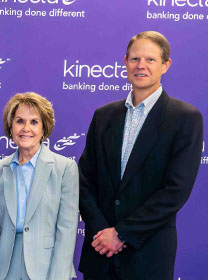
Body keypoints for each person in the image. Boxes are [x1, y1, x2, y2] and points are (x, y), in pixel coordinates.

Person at [77, 31, 203, 280]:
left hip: (148, 257)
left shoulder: (185, 118)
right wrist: (103, 231)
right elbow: (83, 180)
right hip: (100, 254)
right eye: (134, 59)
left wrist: (121, 233)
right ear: (125, 62)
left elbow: (175, 190)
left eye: (150, 59)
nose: (140, 66)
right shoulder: (103, 116)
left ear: (166, 65)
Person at [0, 92, 79, 280]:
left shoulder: (65, 168)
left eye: (34, 122)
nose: (26, 129)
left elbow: (66, 230)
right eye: (19, 121)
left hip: (46, 268)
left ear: (44, 128)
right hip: (3, 268)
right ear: (11, 126)